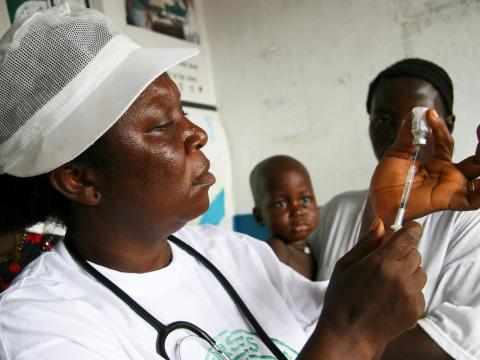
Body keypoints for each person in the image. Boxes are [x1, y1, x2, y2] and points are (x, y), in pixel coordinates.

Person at [0, 5, 478, 359]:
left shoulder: (229, 252)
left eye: (183, 111)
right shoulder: (40, 327)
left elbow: (353, 312)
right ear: (80, 179)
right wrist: (352, 339)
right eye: (162, 125)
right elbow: (350, 331)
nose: (197, 132)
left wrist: (393, 214)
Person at [309, 58, 480, 360]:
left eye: (416, 119)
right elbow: (303, 305)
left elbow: (459, 342)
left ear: (447, 124)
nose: (400, 133)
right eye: (384, 119)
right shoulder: (338, 209)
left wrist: (341, 336)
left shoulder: (469, 220)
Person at [250, 155, 319, 279]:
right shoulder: (278, 249)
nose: (297, 211)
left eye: (305, 199)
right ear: (259, 216)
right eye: (280, 203)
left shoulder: (316, 245)